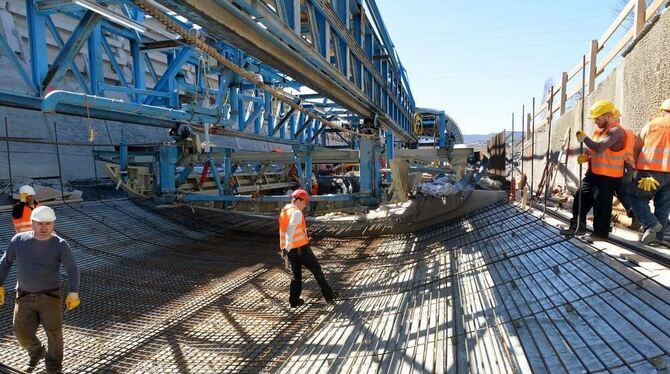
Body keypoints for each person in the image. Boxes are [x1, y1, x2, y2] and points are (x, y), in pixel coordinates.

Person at [0, 206, 81, 374]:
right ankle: (37, 352)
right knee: (21, 332)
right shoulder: (19, 241)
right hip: (24, 296)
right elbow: (5, 263)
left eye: (48, 223)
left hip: (50, 296)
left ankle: (53, 368)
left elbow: (72, 269)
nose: (44, 228)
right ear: (32, 223)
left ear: (53, 224)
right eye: (39, 223)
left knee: (54, 334)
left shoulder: (60, 245)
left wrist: (73, 291)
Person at [561, 100, 625, 241]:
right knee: (580, 198)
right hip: (593, 173)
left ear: (608, 116)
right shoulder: (599, 132)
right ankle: (577, 226)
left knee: (601, 205)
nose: (595, 121)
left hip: (608, 176)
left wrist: (585, 139)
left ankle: (600, 234)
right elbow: (593, 149)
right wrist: (586, 155)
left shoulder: (616, 131)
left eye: (598, 118)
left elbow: (600, 147)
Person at [279, 189, 338, 308]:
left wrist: (286, 248)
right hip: (301, 249)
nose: (305, 206)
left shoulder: (284, 211)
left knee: (296, 275)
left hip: (290, 251)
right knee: (317, 271)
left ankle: (294, 301)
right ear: (298, 201)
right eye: (304, 203)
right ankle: (329, 295)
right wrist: (288, 245)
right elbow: (290, 229)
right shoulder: (296, 213)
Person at [630, 98, 670, 244]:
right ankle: (657, 240)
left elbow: (636, 147)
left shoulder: (652, 124)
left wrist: (635, 168)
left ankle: (651, 223)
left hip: (649, 172)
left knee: (636, 198)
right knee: (664, 205)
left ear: (662, 111)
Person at [611, 108, 641, 230]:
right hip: (632, 167)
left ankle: (635, 212)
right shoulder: (629, 132)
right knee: (628, 192)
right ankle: (636, 217)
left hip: (622, 167)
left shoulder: (615, 132)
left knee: (622, 192)